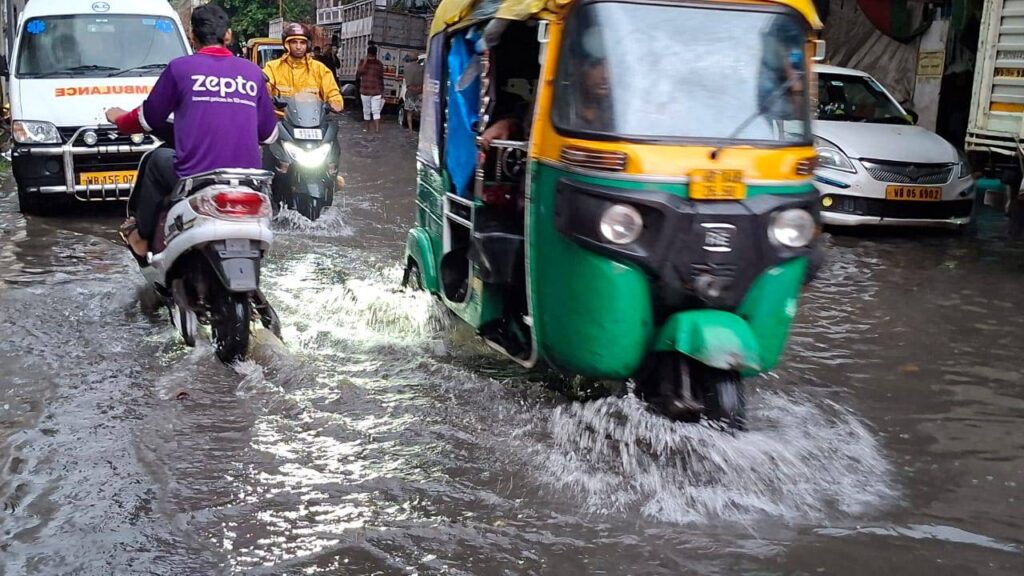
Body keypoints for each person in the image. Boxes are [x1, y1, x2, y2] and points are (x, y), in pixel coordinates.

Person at [105, 4, 278, 257]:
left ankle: (141, 237)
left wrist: (119, 118)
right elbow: (269, 135)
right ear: (228, 35)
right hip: (248, 182)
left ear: (192, 37)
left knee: (155, 159)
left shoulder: (180, 68)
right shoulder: (253, 73)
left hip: (195, 179)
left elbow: (148, 120)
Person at [263, 23, 344, 112]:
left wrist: (335, 102)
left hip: (313, 121)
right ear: (287, 44)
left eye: (302, 43)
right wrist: (268, 95)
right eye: (294, 42)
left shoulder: (320, 69)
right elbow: (265, 85)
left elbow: (332, 92)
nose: (298, 47)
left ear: (308, 45)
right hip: (281, 120)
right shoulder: (272, 67)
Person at [356, 45, 386, 133]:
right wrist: (383, 90)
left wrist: (365, 62)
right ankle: (376, 129)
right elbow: (381, 78)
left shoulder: (363, 62)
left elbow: (358, 74)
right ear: (376, 53)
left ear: (367, 53)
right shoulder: (379, 64)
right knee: (376, 111)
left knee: (366, 110)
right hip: (376, 91)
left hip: (365, 90)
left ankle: (366, 128)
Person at [403, 55, 424, 134]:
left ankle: (410, 130)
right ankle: (421, 130)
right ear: (417, 59)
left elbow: (406, 80)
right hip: (420, 92)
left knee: (409, 112)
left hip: (410, 92)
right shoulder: (422, 68)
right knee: (421, 112)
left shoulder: (406, 68)